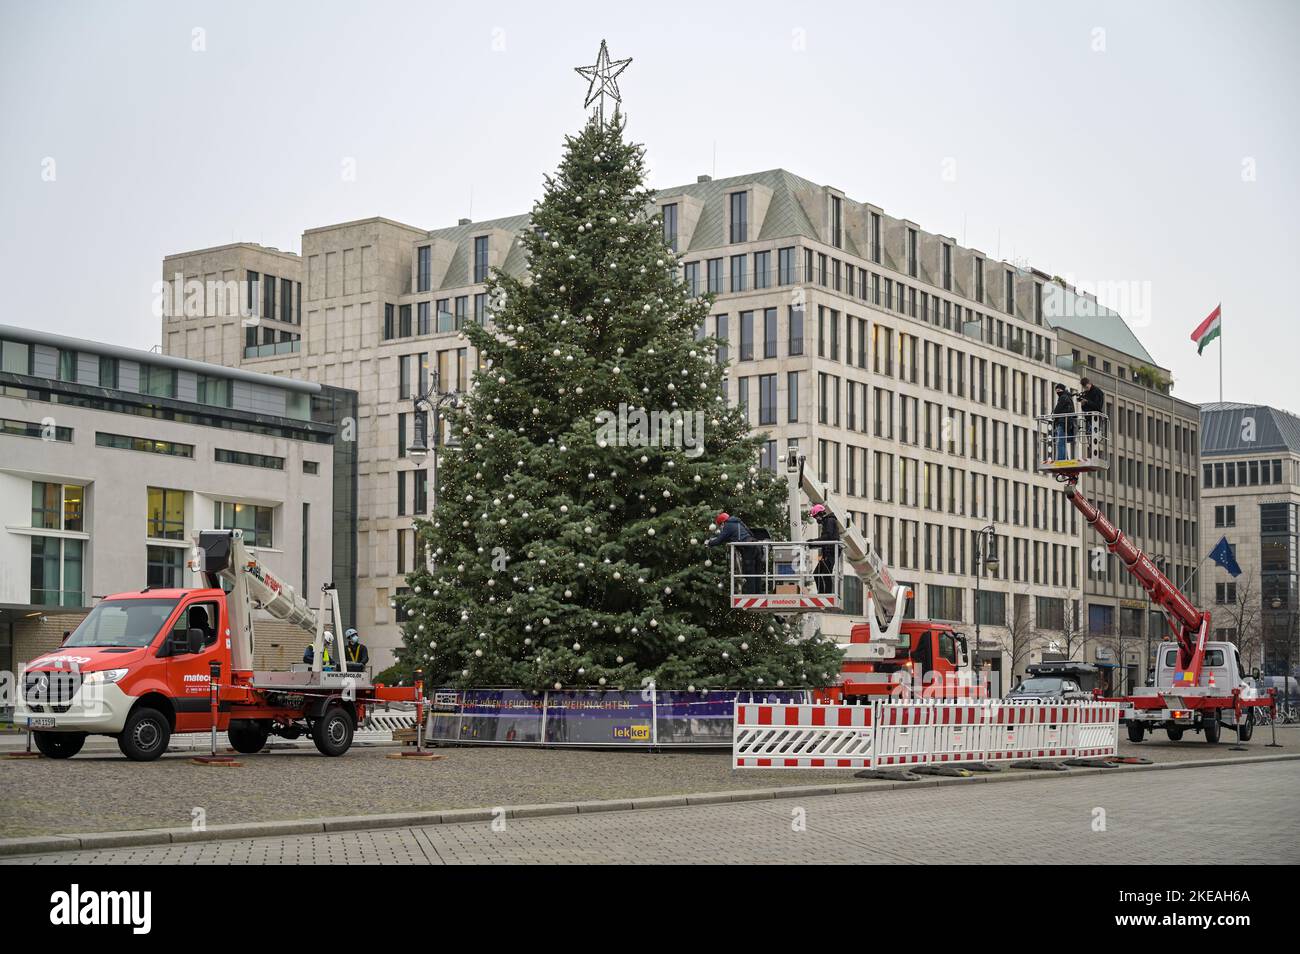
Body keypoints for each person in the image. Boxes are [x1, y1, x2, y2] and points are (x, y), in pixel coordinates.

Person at [706, 511, 761, 594]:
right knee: (756, 572)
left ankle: (751, 595)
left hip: (748, 548)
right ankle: (757, 593)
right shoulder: (738, 522)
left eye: (720, 526)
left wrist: (709, 543)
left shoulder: (728, 526)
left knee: (749, 572)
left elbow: (719, 540)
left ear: (722, 523)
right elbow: (748, 533)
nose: (721, 528)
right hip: (755, 546)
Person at [810, 503, 841, 594]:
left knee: (826, 574)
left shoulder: (830, 521)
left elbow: (828, 537)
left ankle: (827, 594)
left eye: (816, 517)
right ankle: (821, 593)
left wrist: (813, 542)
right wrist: (813, 543)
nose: (816, 519)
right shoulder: (826, 523)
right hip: (827, 553)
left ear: (820, 514)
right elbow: (825, 540)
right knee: (817, 573)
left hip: (831, 553)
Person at [1051, 383, 1076, 461]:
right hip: (1067, 422)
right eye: (1056, 390)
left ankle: (1061, 458)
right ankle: (1065, 458)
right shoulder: (1068, 397)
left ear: (1062, 390)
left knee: (1060, 442)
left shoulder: (1063, 397)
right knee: (1062, 442)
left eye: (1059, 390)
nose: (1058, 392)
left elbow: (1057, 409)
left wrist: (1053, 415)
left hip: (1062, 422)